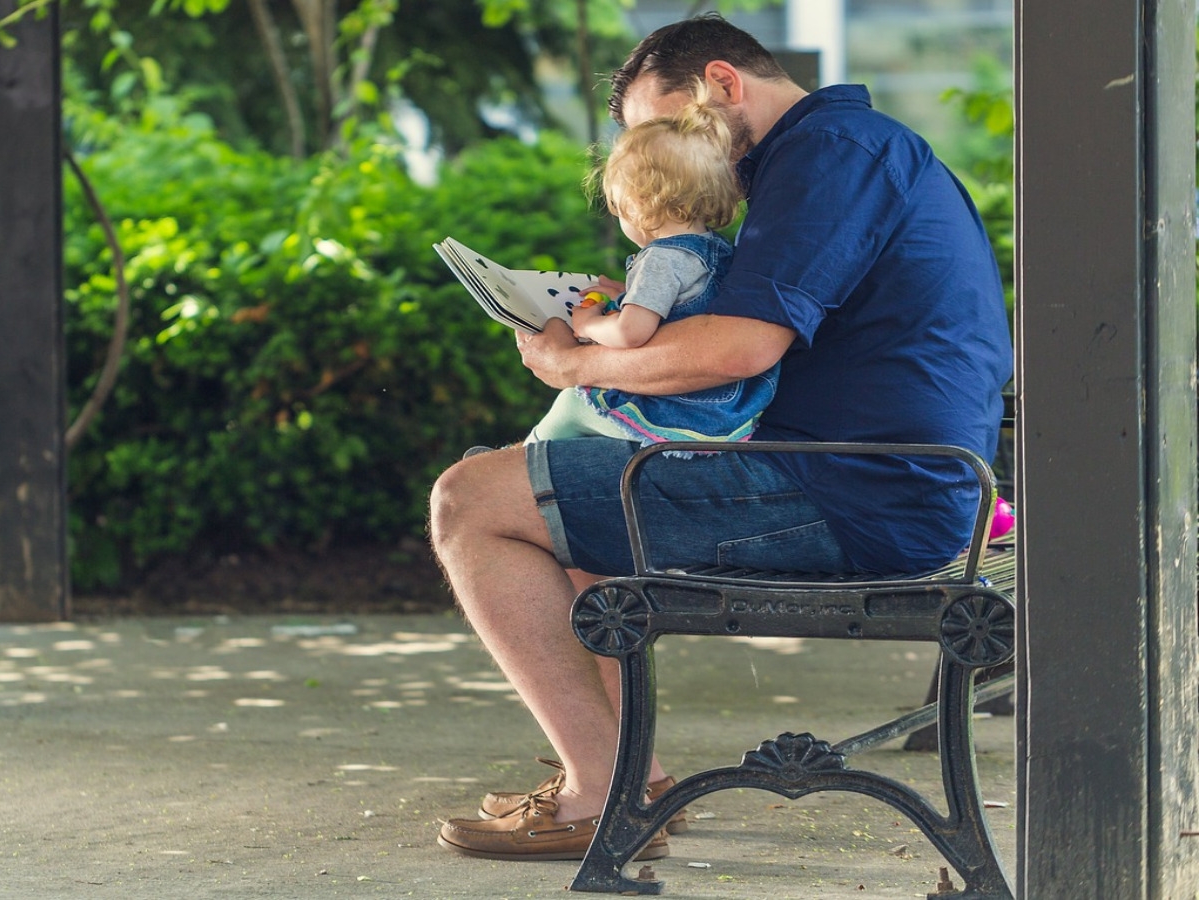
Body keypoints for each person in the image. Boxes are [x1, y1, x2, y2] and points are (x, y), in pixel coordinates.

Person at [430, 13, 1012, 862]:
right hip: (872, 479)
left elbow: (739, 349)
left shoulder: (829, 154)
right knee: (565, 496)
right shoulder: (837, 153)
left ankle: (597, 793)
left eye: (666, 130)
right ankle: (631, 784)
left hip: (855, 493)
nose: (665, 158)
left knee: (471, 499)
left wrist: (575, 366)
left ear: (723, 84)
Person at [526, 90, 778, 447]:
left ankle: (522, 457)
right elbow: (680, 306)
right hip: (729, 407)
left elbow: (631, 333)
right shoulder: (716, 249)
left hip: (683, 411)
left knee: (572, 403)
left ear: (637, 202)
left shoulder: (661, 259)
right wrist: (627, 295)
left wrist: (589, 324)